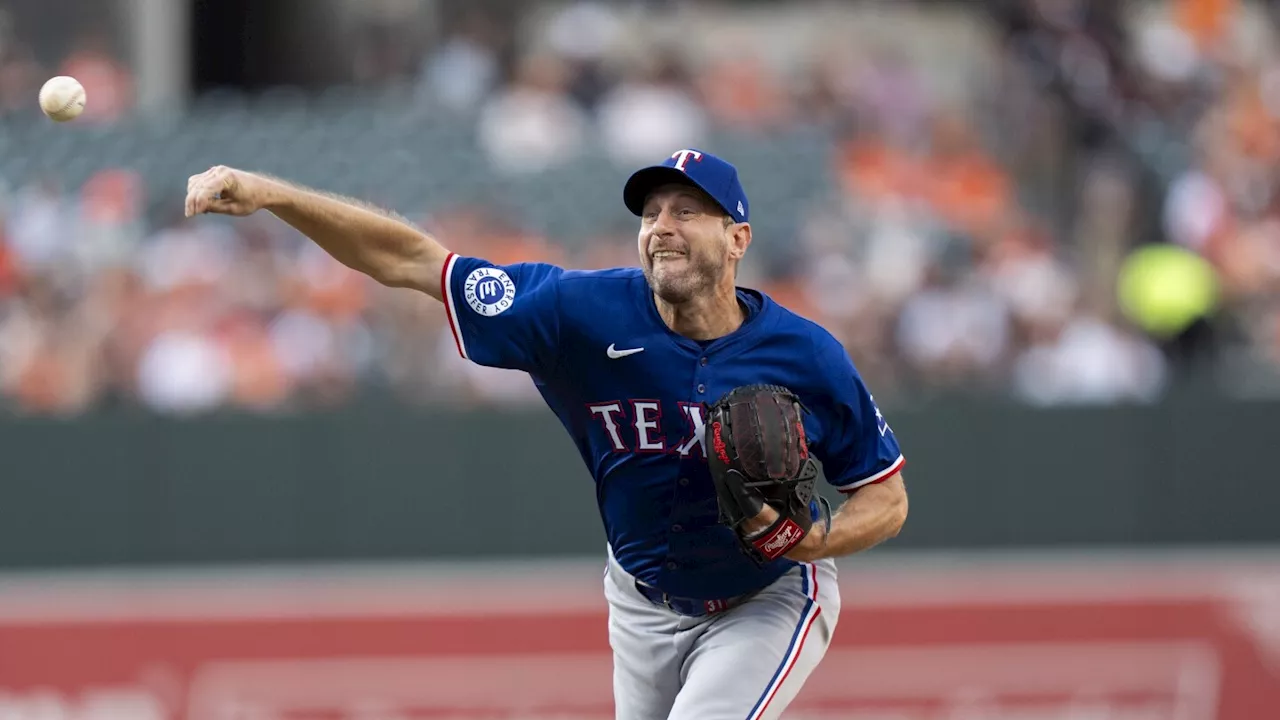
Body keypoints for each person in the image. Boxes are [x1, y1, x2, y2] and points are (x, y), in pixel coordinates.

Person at [184, 148, 909, 720]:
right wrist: (272, 195)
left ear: (737, 237)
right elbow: (413, 260)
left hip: (768, 597)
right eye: (652, 213)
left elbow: (886, 497)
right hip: (642, 600)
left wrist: (811, 542)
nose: (662, 227)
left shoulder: (805, 353)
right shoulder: (577, 312)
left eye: (688, 211)